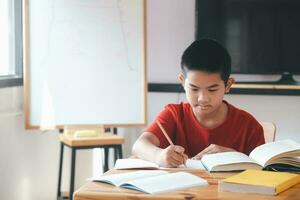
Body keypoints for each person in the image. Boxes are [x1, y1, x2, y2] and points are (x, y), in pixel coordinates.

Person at [132, 38, 265, 168]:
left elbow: (264, 171)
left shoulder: (248, 125)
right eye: (194, 89)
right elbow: (139, 145)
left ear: (228, 85)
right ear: (183, 82)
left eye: (212, 89)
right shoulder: (174, 114)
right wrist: (159, 155)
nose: (203, 98)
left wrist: (234, 157)